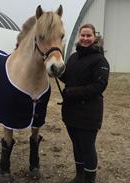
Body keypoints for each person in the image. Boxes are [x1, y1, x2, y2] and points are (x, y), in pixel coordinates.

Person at [59, 24, 110, 183]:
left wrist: (71, 93)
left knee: (87, 147)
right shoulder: (74, 57)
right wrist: (55, 71)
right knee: (76, 145)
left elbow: (98, 86)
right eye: (83, 35)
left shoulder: (100, 60)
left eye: (89, 36)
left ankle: (89, 179)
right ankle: (79, 176)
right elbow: (68, 77)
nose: (85, 38)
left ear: (95, 37)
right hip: (71, 111)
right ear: (79, 37)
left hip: (88, 113)